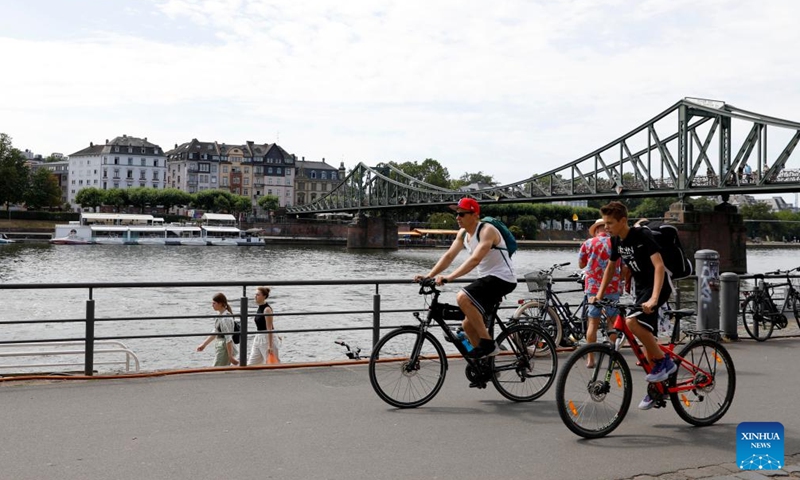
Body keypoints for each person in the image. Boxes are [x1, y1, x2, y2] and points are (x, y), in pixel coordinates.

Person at [593, 201, 675, 411]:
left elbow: (659, 267)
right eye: (605, 222)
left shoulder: (641, 236)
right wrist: (599, 295)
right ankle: (655, 388)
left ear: (623, 221)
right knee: (646, 336)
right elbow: (611, 267)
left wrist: (655, 299)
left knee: (631, 322)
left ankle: (664, 361)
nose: (606, 227)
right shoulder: (615, 241)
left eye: (610, 222)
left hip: (658, 287)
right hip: (641, 289)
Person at [414, 197, 516, 360]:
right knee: (467, 326)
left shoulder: (486, 230)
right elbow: (448, 256)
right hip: (487, 279)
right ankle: (485, 367)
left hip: (503, 278)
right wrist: (429, 276)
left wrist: (450, 277)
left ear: (474, 214)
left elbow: (475, 259)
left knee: (462, 297)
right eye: (457, 214)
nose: (457, 217)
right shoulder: (463, 234)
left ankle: (488, 344)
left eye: (462, 214)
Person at [578, 218, 621, 368]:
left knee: (592, 323)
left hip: (593, 289)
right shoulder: (616, 242)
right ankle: (612, 359)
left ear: (596, 230)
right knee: (612, 324)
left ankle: (591, 359)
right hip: (613, 286)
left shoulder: (588, 243)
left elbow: (581, 264)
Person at [196, 292, 239, 366]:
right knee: (219, 368)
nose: (212, 305)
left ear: (220, 303)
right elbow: (216, 331)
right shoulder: (220, 316)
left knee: (217, 368)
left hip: (224, 348)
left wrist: (230, 356)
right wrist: (204, 344)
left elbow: (228, 338)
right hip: (221, 346)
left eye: (214, 303)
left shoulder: (225, 318)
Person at [249, 286, 280, 365]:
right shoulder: (260, 308)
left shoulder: (267, 309)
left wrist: (270, 346)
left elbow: (269, 328)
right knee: (252, 363)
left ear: (264, 296)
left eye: (258, 295)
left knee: (271, 363)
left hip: (266, 338)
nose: (255, 297)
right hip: (258, 337)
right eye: (255, 295)